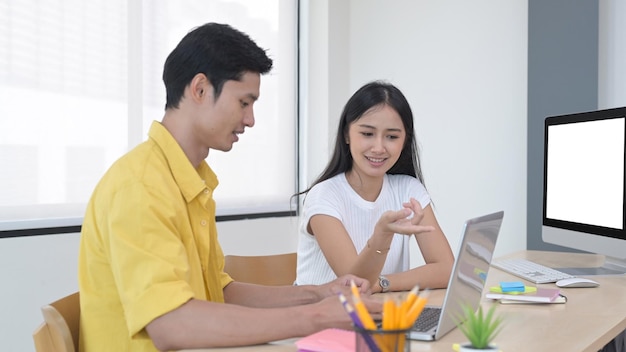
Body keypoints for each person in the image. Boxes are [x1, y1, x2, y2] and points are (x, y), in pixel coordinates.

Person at [77, 23, 379, 352]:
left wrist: (318, 293)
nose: (250, 120)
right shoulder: (140, 186)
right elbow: (171, 324)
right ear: (200, 89)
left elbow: (219, 292)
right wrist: (317, 316)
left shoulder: (188, 180)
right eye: (244, 102)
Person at [295, 80, 455, 293]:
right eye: (367, 134)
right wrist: (382, 235)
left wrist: (382, 283)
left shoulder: (409, 189)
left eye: (391, 137)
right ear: (346, 135)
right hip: (322, 317)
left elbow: (446, 269)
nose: (379, 148)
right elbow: (354, 285)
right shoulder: (324, 196)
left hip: (379, 312)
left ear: (404, 140)